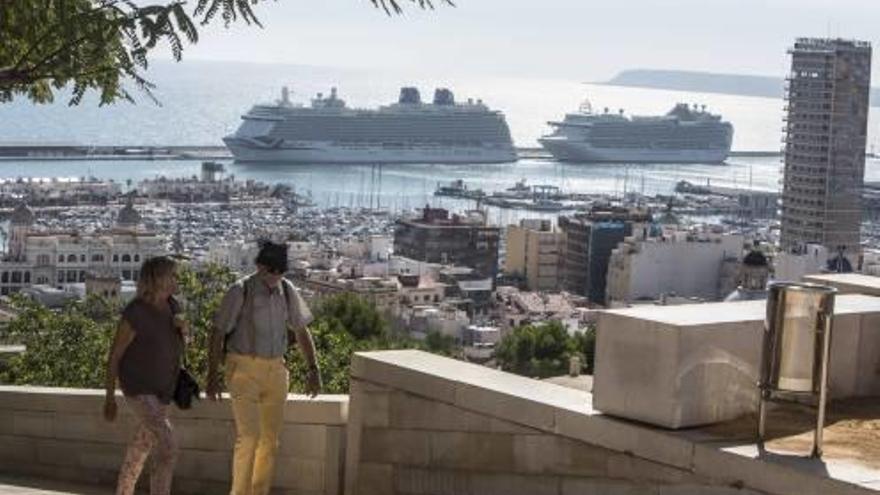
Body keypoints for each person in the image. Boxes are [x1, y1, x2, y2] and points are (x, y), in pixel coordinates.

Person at [207, 240, 321, 495]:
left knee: (270, 441)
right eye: (271, 270)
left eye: (280, 271)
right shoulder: (240, 291)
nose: (275, 276)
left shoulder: (287, 290)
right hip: (243, 368)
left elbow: (301, 330)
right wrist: (212, 374)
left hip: (276, 370)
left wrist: (314, 369)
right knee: (248, 438)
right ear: (259, 266)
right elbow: (216, 333)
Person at [104, 256, 185, 495]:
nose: (176, 279)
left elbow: (180, 346)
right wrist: (109, 397)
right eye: (172, 275)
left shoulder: (174, 307)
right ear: (158, 278)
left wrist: (184, 330)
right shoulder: (136, 312)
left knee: (140, 447)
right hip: (138, 390)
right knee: (168, 446)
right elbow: (114, 356)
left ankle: (123, 491)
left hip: (163, 392)